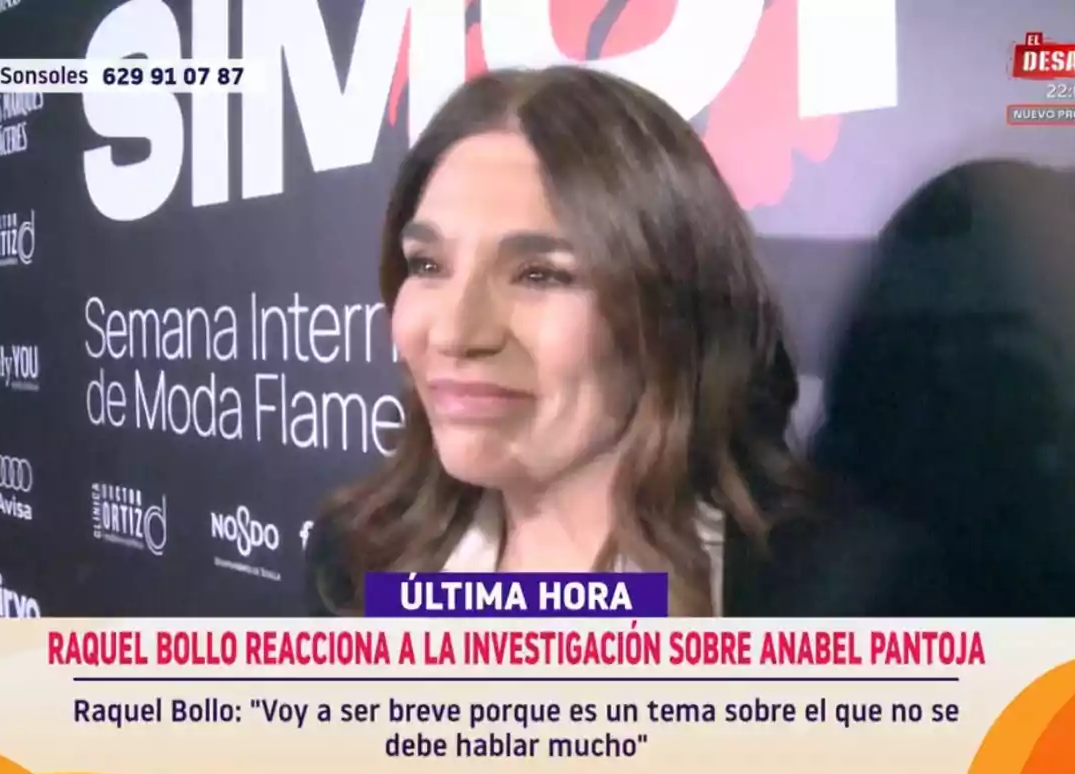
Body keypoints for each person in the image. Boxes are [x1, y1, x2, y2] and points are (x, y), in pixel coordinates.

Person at [305, 66, 942, 617]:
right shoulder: (357, 561)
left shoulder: (841, 595)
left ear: (669, 310)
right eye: (427, 265)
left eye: (540, 274)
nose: (453, 332)